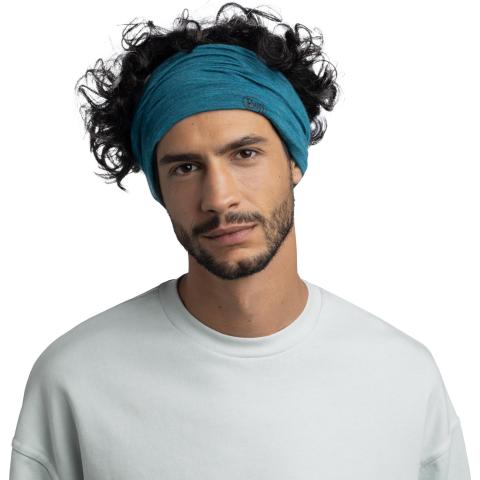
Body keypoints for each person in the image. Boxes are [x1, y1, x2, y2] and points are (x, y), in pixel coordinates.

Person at [9, 3, 471, 480]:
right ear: (158, 186)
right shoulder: (75, 380)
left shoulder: (403, 377)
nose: (219, 198)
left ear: (293, 160)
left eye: (245, 154)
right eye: (186, 167)